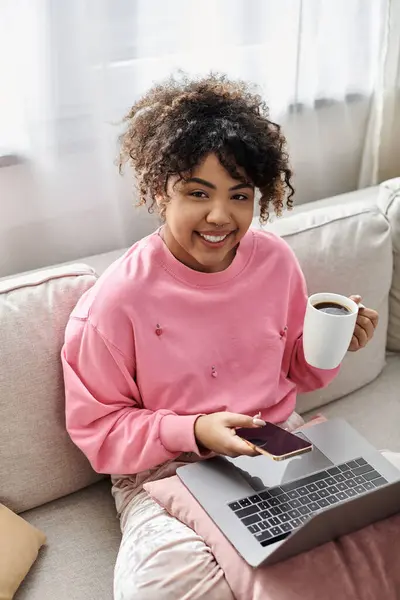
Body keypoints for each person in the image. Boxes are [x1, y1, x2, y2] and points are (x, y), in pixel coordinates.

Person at [62, 74, 383, 600]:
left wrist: (334, 343)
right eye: (197, 192)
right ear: (158, 189)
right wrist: (196, 430)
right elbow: (101, 433)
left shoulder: (275, 261)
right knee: (159, 592)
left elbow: (296, 370)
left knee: (377, 529)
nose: (220, 216)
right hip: (163, 469)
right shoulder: (114, 303)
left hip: (274, 440)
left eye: (239, 195)